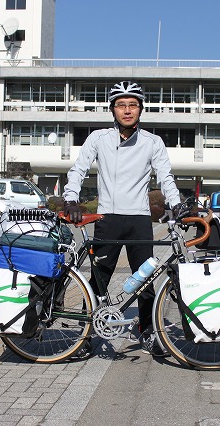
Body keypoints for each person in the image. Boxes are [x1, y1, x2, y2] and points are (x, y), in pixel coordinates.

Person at [63, 80, 181, 357]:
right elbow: (78, 169)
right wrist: (71, 198)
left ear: (141, 109)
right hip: (108, 217)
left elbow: (165, 176)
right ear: (112, 110)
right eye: (121, 105)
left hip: (139, 219)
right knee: (99, 279)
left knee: (146, 279)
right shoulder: (99, 138)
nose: (127, 110)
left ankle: (147, 331)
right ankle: (85, 335)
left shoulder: (153, 142)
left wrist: (176, 203)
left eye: (133, 105)